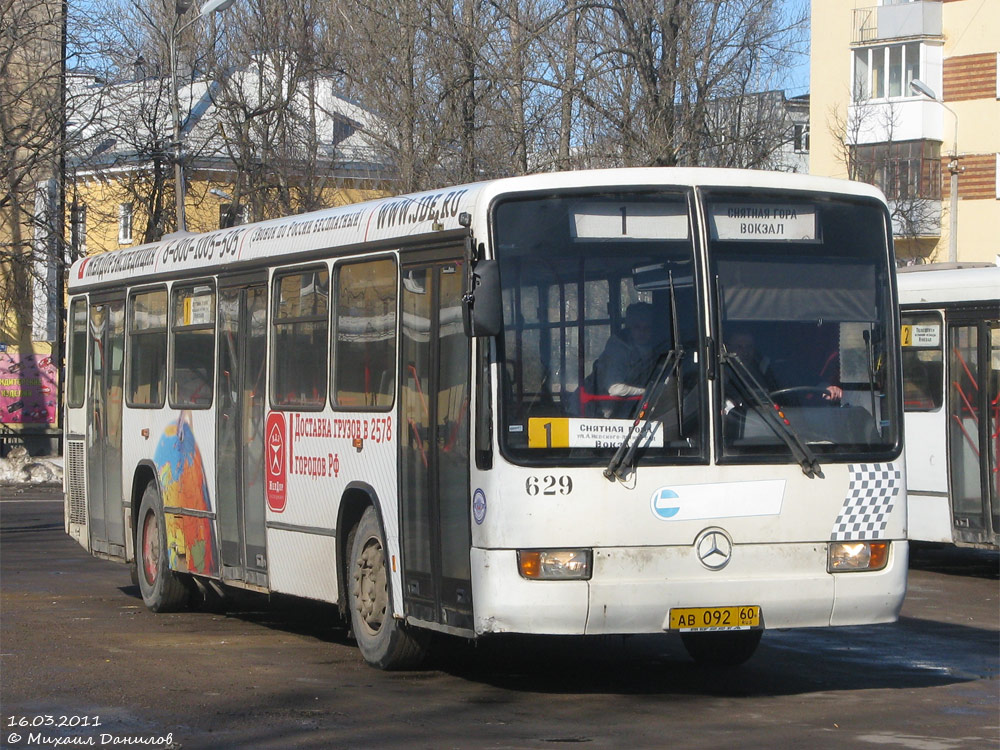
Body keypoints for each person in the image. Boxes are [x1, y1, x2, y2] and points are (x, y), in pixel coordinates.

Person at [727, 329, 842, 402]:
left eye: (749, 347)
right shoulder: (721, 374)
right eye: (739, 347)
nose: (745, 352)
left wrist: (827, 388)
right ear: (729, 349)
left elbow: (811, 381)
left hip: (782, 427)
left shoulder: (773, 369)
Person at [590, 303, 659, 416]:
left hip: (630, 409)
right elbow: (615, 389)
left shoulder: (657, 350)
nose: (642, 333)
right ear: (629, 328)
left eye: (647, 328)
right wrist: (647, 392)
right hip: (601, 413)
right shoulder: (618, 349)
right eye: (637, 327)